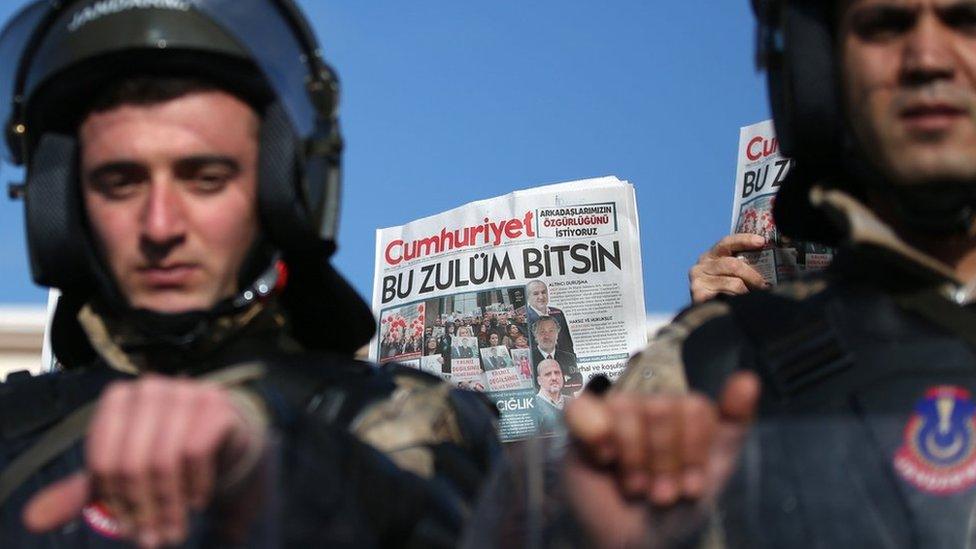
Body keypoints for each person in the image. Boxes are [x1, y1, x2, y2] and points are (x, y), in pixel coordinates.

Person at [0, 1, 499, 547]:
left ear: (281, 190)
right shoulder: (10, 433)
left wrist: (273, 465)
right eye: (122, 183)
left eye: (205, 179)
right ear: (65, 207)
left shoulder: (411, 418)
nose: (161, 225)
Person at [562, 0, 976, 546]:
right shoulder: (712, 364)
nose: (927, 58)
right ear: (818, 71)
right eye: (885, 26)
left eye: (967, 21)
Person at [530, 316, 582, 396]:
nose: (547, 336)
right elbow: (531, 387)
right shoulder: (529, 358)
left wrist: (546, 384)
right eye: (542, 332)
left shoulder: (569, 357)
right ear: (535, 336)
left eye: (551, 331)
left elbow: (577, 383)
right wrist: (564, 379)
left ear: (557, 334)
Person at [520, 280, 575, 354]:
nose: (541, 296)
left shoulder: (558, 313)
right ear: (528, 297)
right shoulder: (524, 318)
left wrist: (571, 359)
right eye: (536, 294)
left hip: (564, 359)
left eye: (543, 292)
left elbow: (567, 341)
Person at [533, 358, 567, 435]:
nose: (554, 378)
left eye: (557, 373)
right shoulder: (532, 406)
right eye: (548, 374)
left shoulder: (573, 403)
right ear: (539, 380)